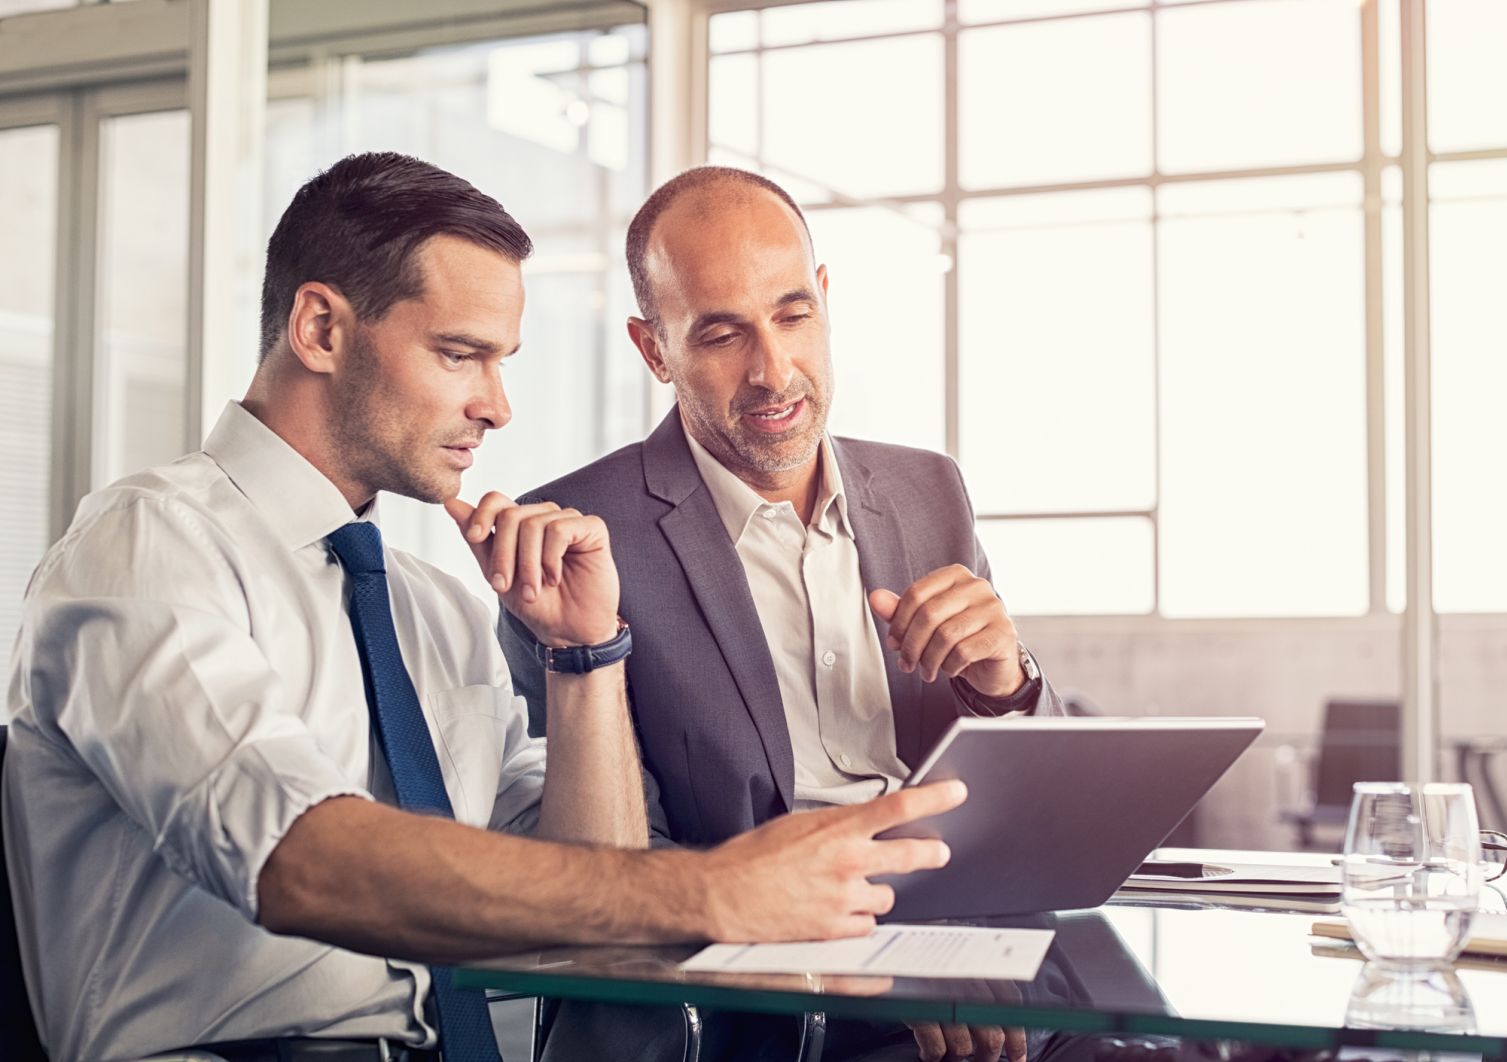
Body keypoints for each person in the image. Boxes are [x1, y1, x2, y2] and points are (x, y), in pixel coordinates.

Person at [1, 152, 963, 1062]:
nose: (499, 406)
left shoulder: (434, 611)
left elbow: (596, 910)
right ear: (321, 330)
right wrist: (718, 890)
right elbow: (300, 859)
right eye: (462, 355)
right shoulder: (148, 548)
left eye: (502, 361)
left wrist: (585, 658)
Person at [498, 166, 1078, 1062]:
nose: (773, 371)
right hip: (761, 1010)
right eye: (722, 334)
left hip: (970, 960)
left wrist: (1009, 682)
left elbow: (1038, 807)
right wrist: (872, 956)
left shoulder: (929, 490)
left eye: (792, 315)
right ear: (654, 350)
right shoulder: (579, 541)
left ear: (826, 301)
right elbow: (606, 880)